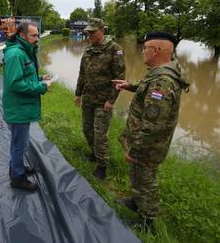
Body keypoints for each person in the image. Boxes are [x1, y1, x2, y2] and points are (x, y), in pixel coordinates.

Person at [112, 31, 189, 232]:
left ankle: (147, 221)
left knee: (146, 179)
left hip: (148, 146)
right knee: (138, 175)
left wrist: (134, 150)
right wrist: (129, 86)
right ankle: (136, 201)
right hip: (145, 143)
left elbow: (152, 125)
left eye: (145, 48)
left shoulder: (162, 81)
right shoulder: (161, 72)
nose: (142, 52)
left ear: (155, 50)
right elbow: (145, 88)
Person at [2, 22, 52, 192]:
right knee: (20, 144)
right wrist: (41, 87)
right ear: (22, 36)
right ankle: (17, 177)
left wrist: (39, 78)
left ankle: (16, 167)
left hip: (21, 107)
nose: (37, 38)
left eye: (38, 35)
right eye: (34, 35)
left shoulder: (23, 51)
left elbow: (25, 75)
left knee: (18, 142)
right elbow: (16, 83)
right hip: (18, 108)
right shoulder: (16, 54)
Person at [74, 18, 125, 180]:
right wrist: (78, 93)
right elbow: (82, 73)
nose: (89, 34)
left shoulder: (114, 49)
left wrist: (112, 100)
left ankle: (102, 165)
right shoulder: (88, 50)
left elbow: (120, 77)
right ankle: (94, 154)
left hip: (103, 101)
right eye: (87, 32)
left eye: (92, 32)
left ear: (102, 31)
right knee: (87, 130)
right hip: (88, 98)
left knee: (100, 133)